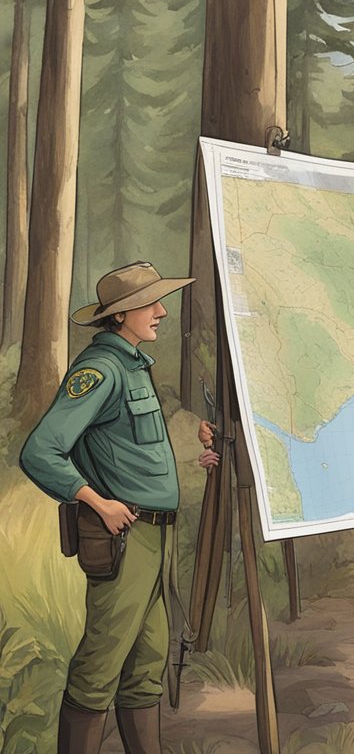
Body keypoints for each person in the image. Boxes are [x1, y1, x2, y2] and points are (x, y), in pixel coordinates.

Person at [20, 261, 217, 754]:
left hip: (155, 538)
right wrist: (96, 501)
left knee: (148, 664)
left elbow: (134, 455)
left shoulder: (131, 365)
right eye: (150, 303)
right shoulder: (100, 370)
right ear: (122, 314)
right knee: (100, 665)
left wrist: (198, 458)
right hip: (125, 537)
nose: (161, 312)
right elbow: (40, 451)